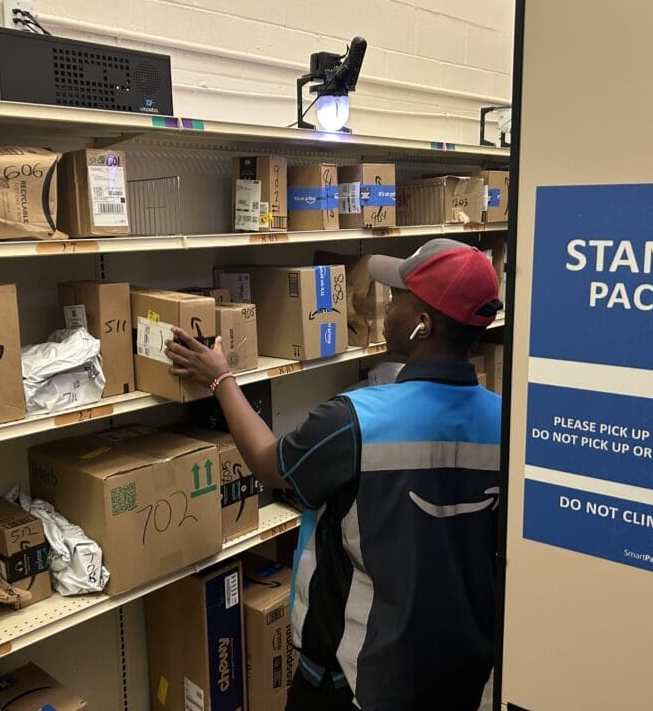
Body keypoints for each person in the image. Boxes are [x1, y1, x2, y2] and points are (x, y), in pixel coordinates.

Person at [166, 239, 503, 711]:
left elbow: (269, 463)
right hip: (464, 671)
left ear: (423, 325)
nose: (386, 308)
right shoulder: (507, 424)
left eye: (399, 298)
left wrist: (221, 379)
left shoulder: (355, 420)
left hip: (357, 678)